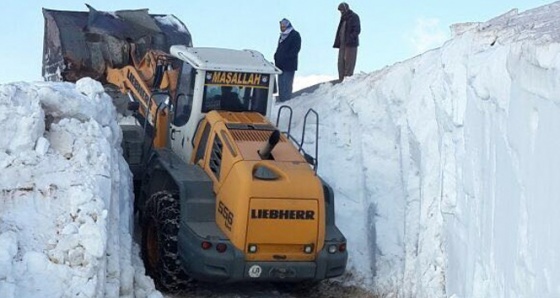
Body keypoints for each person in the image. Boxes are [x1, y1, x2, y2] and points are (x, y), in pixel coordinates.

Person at [274, 18, 301, 102]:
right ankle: (282, 101)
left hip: (289, 66)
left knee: (286, 86)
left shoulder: (294, 35)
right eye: (281, 26)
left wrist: (286, 57)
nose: (282, 28)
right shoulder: (282, 36)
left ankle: (286, 103)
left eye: (284, 26)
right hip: (280, 66)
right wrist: (276, 56)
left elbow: (295, 49)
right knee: (281, 86)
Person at [333, 2, 361, 82]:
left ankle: (347, 80)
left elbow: (357, 30)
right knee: (340, 62)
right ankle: (341, 80)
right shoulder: (343, 19)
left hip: (350, 44)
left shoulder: (354, 17)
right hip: (342, 44)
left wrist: (350, 38)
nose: (341, 12)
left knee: (349, 62)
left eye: (342, 10)